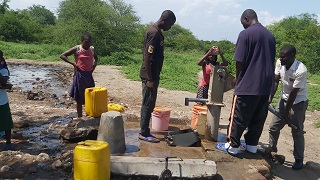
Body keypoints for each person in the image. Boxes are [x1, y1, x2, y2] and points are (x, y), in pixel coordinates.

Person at [225, 9, 276, 155]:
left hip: (248, 84)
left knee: (238, 117)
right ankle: (251, 146)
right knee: (257, 119)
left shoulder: (245, 34)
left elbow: (240, 60)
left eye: (243, 23)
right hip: (265, 86)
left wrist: (238, 77)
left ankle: (233, 146)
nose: (243, 26)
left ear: (246, 19)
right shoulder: (270, 36)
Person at [268, 45, 308, 170]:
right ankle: (272, 152)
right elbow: (275, 81)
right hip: (284, 98)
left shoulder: (300, 70)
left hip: (298, 103)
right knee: (273, 127)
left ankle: (298, 159)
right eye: (280, 56)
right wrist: (269, 97)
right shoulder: (280, 63)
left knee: (297, 131)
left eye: (283, 57)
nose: (280, 59)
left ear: (292, 56)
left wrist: (286, 114)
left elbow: (294, 93)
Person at [139, 10, 176, 143]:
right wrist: (149, 79)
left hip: (153, 75)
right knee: (147, 103)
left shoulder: (157, 32)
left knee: (150, 103)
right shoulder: (154, 33)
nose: (169, 28)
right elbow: (147, 57)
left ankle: (145, 130)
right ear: (164, 19)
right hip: (150, 76)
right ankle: (143, 132)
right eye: (170, 24)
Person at [60, 32, 98, 119]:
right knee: (79, 98)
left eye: (90, 42)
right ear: (82, 41)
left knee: (90, 96)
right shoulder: (77, 48)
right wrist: (73, 64)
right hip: (80, 75)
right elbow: (62, 55)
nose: (88, 43)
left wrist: (94, 65)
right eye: (86, 42)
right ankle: (80, 117)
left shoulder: (91, 49)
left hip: (89, 75)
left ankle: (89, 114)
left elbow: (96, 57)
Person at [0, 50, 15, 151]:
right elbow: (6, 85)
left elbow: (4, 81)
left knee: (6, 122)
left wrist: (4, 85)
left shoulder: (3, 70)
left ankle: (8, 142)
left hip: (2, 101)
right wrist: (5, 86)